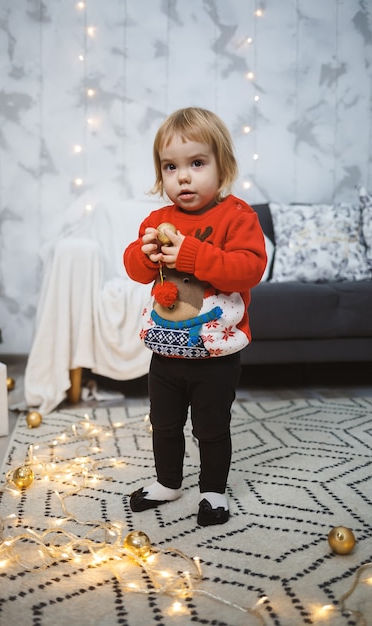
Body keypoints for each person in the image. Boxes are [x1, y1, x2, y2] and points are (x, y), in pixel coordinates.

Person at [123, 107, 267, 526]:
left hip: (216, 354)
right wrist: (144, 254)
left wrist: (192, 253)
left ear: (223, 167)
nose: (182, 176)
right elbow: (135, 269)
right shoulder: (158, 220)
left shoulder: (238, 216)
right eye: (171, 166)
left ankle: (213, 491)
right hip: (167, 350)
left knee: (210, 427)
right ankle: (169, 481)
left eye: (197, 163)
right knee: (163, 422)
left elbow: (249, 269)